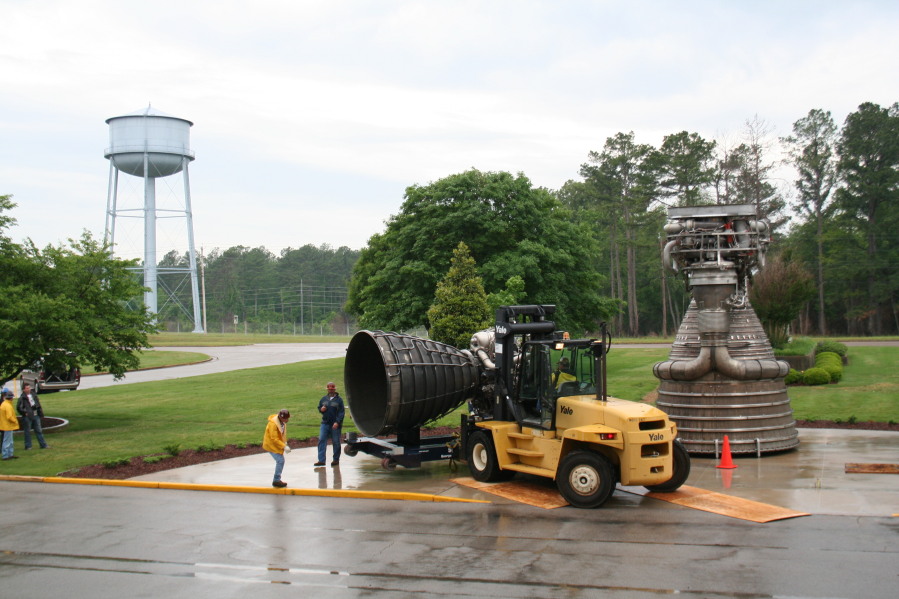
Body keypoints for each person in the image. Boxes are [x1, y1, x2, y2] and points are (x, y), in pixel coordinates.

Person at [314, 382, 344, 467]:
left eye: (332, 388)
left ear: (335, 389)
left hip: (335, 424)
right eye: (329, 388)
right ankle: (321, 460)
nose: (331, 390)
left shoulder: (339, 400)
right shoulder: (323, 399)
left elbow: (341, 413)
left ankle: (336, 460)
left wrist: (337, 422)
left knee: (336, 442)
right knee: (322, 440)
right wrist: (321, 409)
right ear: (327, 389)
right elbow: (320, 407)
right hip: (325, 423)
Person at [262, 409, 291, 488]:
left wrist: (284, 443)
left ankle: (276, 480)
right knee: (280, 460)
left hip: (276, 445)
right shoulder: (273, 424)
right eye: (286, 418)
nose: (287, 420)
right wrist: (284, 446)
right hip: (270, 445)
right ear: (281, 418)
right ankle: (276, 480)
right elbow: (274, 439)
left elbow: (282, 434)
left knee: (280, 460)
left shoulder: (282, 423)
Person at [17, 383, 48, 450]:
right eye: (27, 388)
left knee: (39, 430)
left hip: (35, 414)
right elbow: (19, 407)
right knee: (27, 431)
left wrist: (40, 412)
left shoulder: (33, 395)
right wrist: (25, 413)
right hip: (28, 416)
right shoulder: (22, 398)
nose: (29, 389)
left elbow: (38, 404)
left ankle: (43, 445)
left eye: (29, 388)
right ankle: (28, 446)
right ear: (24, 389)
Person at [1, 388, 19, 460]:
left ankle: (9, 454)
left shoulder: (4, 404)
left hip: (6, 425)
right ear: (11, 398)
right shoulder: (7, 405)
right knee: (7, 441)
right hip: (7, 425)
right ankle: (5, 455)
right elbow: (9, 417)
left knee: (9, 441)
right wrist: (15, 421)